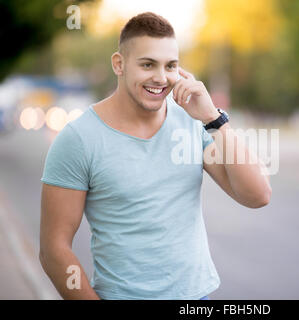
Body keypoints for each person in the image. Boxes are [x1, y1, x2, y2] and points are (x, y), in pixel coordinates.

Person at [39, 12, 271, 300]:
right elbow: (54, 249)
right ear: (119, 64)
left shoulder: (193, 123)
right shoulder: (78, 139)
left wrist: (213, 118)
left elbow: (257, 195)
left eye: (170, 66)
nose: (161, 78)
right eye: (148, 64)